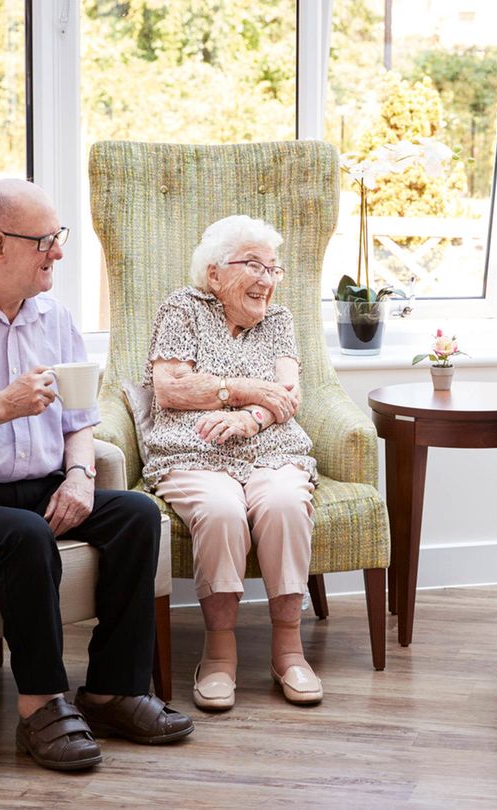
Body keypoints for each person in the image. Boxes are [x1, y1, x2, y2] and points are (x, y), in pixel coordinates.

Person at [0, 179, 193, 773]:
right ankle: (41, 705)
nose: (59, 252)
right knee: (25, 533)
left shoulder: (53, 316)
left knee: (137, 514)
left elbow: (79, 416)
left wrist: (77, 476)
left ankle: (112, 691)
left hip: (41, 484)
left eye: (58, 236)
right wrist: (2, 405)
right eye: (45, 240)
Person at [142, 214, 321, 711]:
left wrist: (251, 420)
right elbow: (172, 387)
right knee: (221, 510)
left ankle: (289, 648)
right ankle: (219, 652)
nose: (266, 279)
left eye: (273, 268)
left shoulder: (279, 321)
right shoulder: (182, 308)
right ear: (215, 273)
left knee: (285, 502)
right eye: (253, 265)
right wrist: (239, 391)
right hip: (192, 449)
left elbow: (290, 394)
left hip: (273, 448)